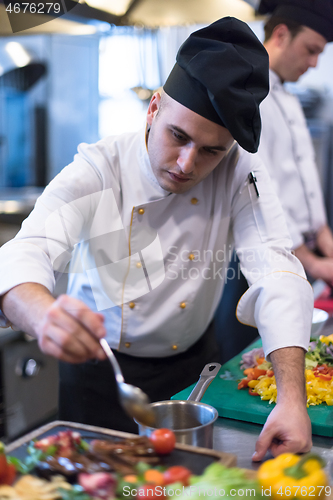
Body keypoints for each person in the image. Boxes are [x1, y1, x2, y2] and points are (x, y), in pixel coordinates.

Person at [0, 17, 313, 461]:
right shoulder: (100, 168)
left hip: (191, 371)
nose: (187, 163)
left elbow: (277, 268)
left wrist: (292, 399)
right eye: (178, 136)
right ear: (154, 107)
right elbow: (26, 250)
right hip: (99, 376)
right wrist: (43, 315)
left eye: (210, 151)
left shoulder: (240, 173)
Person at [257, 0, 333, 285]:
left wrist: (324, 237)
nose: (314, 64)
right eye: (311, 51)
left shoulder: (288, 97)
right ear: (281, 35)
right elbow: (260, 188)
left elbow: (306, 179)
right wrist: (313, 263)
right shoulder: (249, 96)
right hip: (269, 260)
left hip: (303, 251)